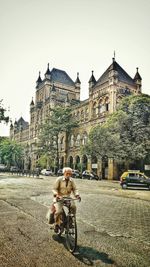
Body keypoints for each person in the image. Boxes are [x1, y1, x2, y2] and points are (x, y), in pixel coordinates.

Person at [52, 167, 81, 233]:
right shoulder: (59, 179)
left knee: (73, 207)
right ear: (64, 173)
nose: (68, 175)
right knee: (58, 212)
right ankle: (56, 224)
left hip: (68, 197)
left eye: (70, 174)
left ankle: (70, 221)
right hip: (59, 198)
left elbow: (75, 189)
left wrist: (77, 195)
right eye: (67, 173)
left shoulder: (72, 180)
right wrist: (57, 195)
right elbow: (54, 189)